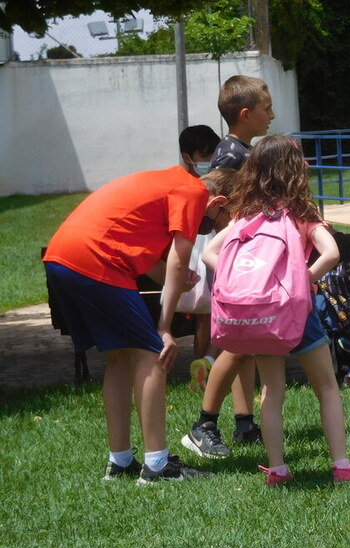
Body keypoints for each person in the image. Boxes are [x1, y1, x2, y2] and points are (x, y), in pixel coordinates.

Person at [200, 134, 350, 485]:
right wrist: (303, 279)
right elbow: (331, 253)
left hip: (262, 318)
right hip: (297, 316)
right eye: (302, 160)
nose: (308, 164)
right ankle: (342, 466)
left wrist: (238, 283)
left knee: (271, 392)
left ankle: (278, 470)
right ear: (290, 169)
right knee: (327, 387)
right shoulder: (300, 212)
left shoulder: (246, 214)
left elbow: (210, 253)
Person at [42, 166, 236, 483]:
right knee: (153, 355)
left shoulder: (170, 184)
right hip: (97, 259)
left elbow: (150, 258)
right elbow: (177, 260)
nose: (214, 230)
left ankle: (119, 463)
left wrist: (175, 278)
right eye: (222, 222)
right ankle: (157, 466)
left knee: (120, 355)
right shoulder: (194, 192)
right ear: (219, 202)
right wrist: (164, 328)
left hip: (64, 256)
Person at [183, 75, 276, 459]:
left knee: (244, 346)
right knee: (237, 345)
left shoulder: (241, 150)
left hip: (242, 259)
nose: (272, 115)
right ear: (245, 114)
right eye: (266, 110)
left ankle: (244, 423)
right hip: (235, 261)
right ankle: (204, 424)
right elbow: (223, 210)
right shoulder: (231, 156)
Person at [178, 125, 223, 374]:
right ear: (188, 157)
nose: (209, 161)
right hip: (201, 249)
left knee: (208, 314)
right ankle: (205, 364)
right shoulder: (191, 187)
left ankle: (206, 363)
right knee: (206, 314)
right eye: (204, 156)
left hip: (204, 248)